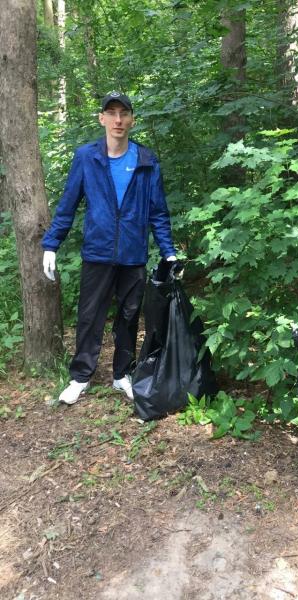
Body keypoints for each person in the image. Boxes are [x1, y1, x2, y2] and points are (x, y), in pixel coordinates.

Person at [42, 91, 177, 405]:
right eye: (111, 113)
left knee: (129, 316)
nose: (118, 120)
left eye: (123, 113)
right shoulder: (87, 157)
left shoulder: (145, 160)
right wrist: (51, 244)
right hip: (98, 252)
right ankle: (80, 376)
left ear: (131, 120)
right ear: (102, 119)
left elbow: (158, 211)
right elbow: (68, 204)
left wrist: (168, 250)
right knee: (89, 316)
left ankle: (122, 374)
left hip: (133, 254)